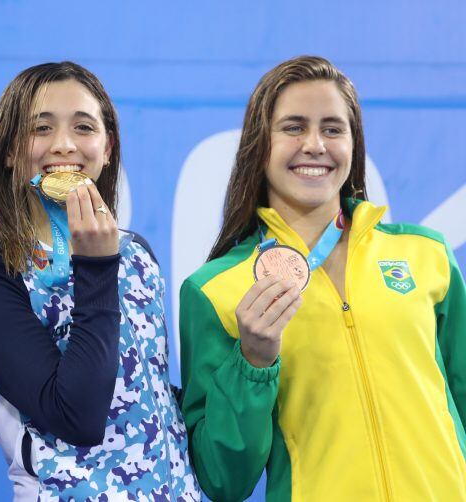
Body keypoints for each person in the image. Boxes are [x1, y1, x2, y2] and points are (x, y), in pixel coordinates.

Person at [180, 55, 466, 501]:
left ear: (354, 145)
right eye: (294, 127)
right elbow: (221, 479)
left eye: (332, 129)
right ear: (261, 144)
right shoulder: (216, 290)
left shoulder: (425, 254)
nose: (315, 144)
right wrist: (252, 362)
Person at [0, 61, 200, 501]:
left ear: (107, 148)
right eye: (40, 129)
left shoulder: (138, 253)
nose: (64, 145)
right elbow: (78, 417)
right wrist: (97, 271)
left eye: (84, 127)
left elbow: (155, 400)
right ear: (9, 150)